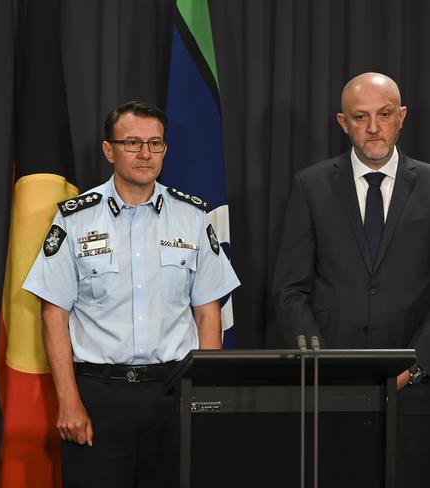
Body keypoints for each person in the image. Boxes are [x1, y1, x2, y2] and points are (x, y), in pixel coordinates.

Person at [23, 101, 240, 487]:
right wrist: (68, 401)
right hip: (99, 396)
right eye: (132, 143)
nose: (145, 154)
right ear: (109, 150)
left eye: (155, 144)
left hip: (173, 392)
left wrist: (202, 393)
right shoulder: (75, 219)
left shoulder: (191, 218)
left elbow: (209, 312)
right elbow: (53, 313)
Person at [272, 72, 430, 487]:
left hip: (415, 391)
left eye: (384, 114)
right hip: (330, 391)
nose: (373, 128)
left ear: (402, 117)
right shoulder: (311, 185)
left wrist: (414, 366)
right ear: (343, 122)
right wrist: (323, 362)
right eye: (361, 117)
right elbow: (290, 288)